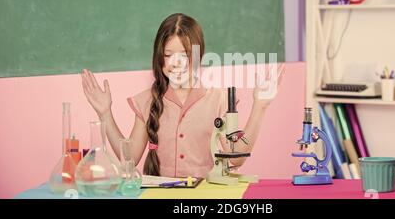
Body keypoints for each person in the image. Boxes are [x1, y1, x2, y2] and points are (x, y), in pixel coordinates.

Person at [81, 13, 284, 178]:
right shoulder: (146, 100)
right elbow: (129, 159)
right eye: (168, 55)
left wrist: (260, 106)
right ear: (159, 57)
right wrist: (105, 113)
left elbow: (236, 157)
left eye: (184, 55)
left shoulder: (218, 99)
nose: (176, 63)